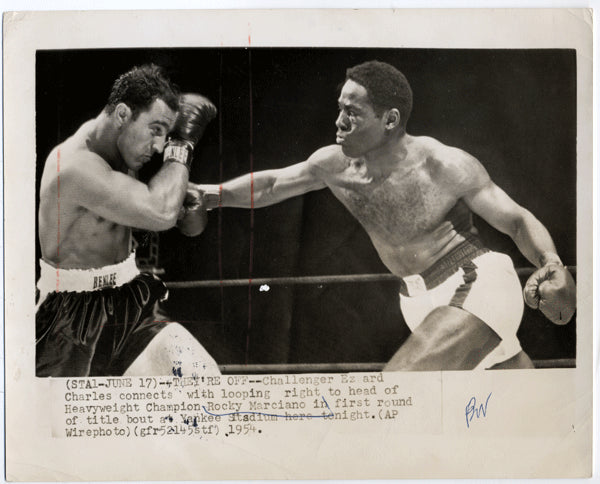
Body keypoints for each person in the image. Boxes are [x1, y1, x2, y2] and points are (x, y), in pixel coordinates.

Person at [192, 60, 576, 371]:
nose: (339, 122)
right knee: (518, 411)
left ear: (390, 120)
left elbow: (517, 220)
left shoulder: (442, 163)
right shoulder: (334, 165)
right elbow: (274, 184)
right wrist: (210, 196)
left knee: (395, 391)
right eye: (339, 108)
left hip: (474, 282)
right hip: (417, 301)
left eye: (353, 112)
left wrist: (553, 262)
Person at [36, 64, 219, 377]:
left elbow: (166, 214)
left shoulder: (122, 153)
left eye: (167, 134)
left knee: (201, 376)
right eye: (156, 129)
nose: (160, 145)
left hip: (128, 298)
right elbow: (159, 212)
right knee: (80, 424)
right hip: (70, 319)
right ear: (122, 114)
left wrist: (184, 209)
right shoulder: (74, 166)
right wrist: (181, 146)